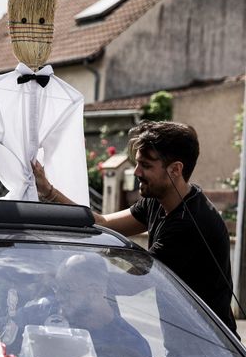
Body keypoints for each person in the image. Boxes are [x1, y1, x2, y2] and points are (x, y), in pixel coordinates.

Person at [32, 120, 238, 335]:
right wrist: (49, 192)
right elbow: (103, 224)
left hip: (210, 351)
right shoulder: (157, 201)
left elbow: (134, 281)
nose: (137, 172)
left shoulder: (190, 224)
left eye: (146, 166)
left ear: (175, 169)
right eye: (137, 163)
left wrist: (70, 279)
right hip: (188, 345)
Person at [55, 253, 153, 357]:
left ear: (94, 292)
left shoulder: (131, 345)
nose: (58, 297)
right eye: (56, 288)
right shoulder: (46, 313)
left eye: (66, 290)